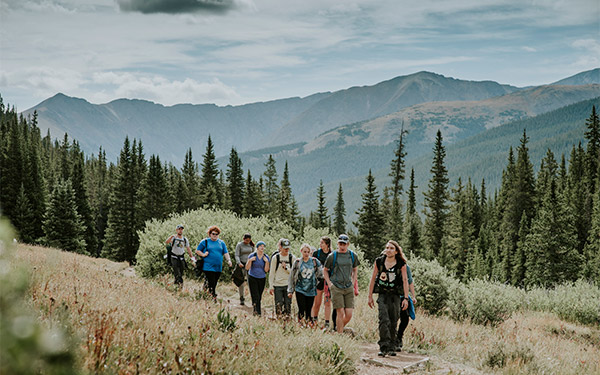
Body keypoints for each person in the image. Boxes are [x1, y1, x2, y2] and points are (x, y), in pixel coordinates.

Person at [367, 240, 410, 357]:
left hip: (395, 295)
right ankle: (383, 346)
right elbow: (373, 278)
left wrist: (406, 298)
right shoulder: (379, 261)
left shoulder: (401, 263)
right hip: (382, 294)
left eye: (391, 248)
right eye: (387, 248)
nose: (388, 250)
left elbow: (405, 281)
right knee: (383, 319)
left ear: (396, 251)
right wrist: (370, 296)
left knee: (393, 319)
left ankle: (391, 346)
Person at [323, 234, 360, 334]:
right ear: (338, 243)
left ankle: (337, 329)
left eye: (344, 244)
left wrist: (353, 281)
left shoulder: (352, 255)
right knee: (340, 312)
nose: (342, 246)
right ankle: (339, 334)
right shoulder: (332, 256)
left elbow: (355, 269)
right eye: (340, 243)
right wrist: (330, 284)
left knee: (349, 314)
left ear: (348, 244)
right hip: (336, 287)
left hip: (348, 287)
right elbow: (325, 270)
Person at [288, 243, 323, 324]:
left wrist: (319, 283)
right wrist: (290, 290)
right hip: (300, 289)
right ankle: (300, 324)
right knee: (301, 308)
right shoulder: (297, 262)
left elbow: (321, 273)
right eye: (305, 252)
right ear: (301, 251)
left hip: (311, 290)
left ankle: (308, 324)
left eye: (308, 252)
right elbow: (292, 277)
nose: (306, 254)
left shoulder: (314, 262)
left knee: (308, 310)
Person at [195, 226, 232, 299]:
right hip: (208, 266)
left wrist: (229, 260)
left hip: (218, 267)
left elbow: (225, 253)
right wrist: (203, 254)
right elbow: (197, 251)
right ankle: (213, 297)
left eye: (217, 234)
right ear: (210, 234)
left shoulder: (221, 243)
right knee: (211, 281)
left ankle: (204, 293)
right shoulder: (205, 241)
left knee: (214, 282)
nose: (215, 235)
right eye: (213, 234)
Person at [269, 238, 296, 317]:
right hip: (278, 285)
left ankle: (287, 320)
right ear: (280, 247)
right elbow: (272, 273)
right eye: (285, 248)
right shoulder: (276, 258)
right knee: (278, 304)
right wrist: (271, 286)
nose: (286, 249)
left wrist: (286, 268)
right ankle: (279, 320)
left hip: (288, 285)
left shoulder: (292, 258)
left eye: (288, 248)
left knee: (288, 305)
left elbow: (294, 273)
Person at [311, 236, 333, 327]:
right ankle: (314, 319)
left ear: (327, 244)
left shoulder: (332, 254)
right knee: (317, 302)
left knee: (327, 302)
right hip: (318, 280)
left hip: (328, 280)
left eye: (322, 243)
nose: (320, 244)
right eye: (320, 243)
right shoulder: (316, 253)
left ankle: (327, 322)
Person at [246, 240, 270, 316]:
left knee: (259, 296)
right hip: (252, 277)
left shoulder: (266, 257)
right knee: (255, 294)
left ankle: (255, 307)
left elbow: (266, 270)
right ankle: (257, 313)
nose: (262, 248)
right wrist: (250, 261)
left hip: (262, 278)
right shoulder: (252, 255)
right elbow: (247, 268)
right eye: (260, 246)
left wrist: (267, 262)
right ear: (257, 247)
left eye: (263, 246)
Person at [396, 262, 417, 351]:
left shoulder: (405, 267)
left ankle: (399, 337)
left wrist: (413, 296)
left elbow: (410, 281)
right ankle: (392, 339)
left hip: (403, 297)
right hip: (391, 296)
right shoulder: (386, 264)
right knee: (392, 319)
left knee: (405, 318)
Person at [235, 233, 254, 305]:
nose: (247, 241)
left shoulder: (251, 246)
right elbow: (237, 255)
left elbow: (253, 254)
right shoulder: (239, 245)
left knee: (251, 282)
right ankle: (241, 297)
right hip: (241, 265)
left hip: (249, 265)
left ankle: (253, 298)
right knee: (241, 282)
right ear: (244, 239)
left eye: (249, 240)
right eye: (246, 240)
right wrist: (239, 262)